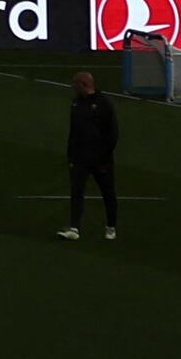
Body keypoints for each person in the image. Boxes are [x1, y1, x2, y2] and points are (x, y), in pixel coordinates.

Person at [63, 67, 121, 240]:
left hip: (100, 159)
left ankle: (111, 227)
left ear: (84, 84)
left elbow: (112, 133)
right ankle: (74, 228)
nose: (73, 87)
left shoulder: (104, 104)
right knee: (76, 192)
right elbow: (73, 132)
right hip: (80, 158)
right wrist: (71, 156)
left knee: (108, 192)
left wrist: (104, 156)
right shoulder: (76, 103)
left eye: (75, 84)